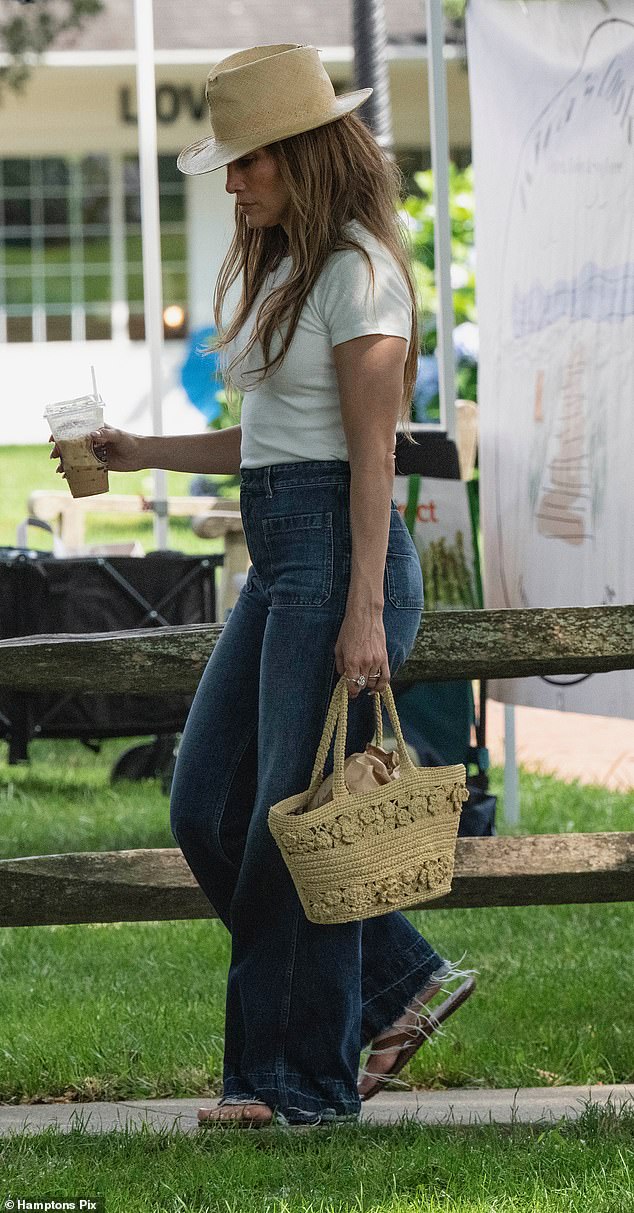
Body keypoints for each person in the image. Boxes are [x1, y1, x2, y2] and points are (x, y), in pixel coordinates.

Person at [51, 43, 475, 1129]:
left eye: (247, 163)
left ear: (303, 154)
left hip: (342, 559)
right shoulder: (290, 268)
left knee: (290, 823)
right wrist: (141, 449)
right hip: (283, 556)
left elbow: (373, 458)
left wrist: (365, 609)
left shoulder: (358, 271)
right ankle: (398, 982)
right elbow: (272, 441)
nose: (232, 183)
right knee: (208, 802)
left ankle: (292, 1087)